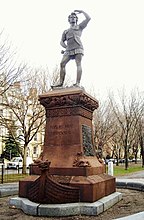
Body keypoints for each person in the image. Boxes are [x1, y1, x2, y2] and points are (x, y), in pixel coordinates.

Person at [52, 10, 91, 88]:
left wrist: (82, 11)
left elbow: (88, 18)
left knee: (78, 64)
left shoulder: (80, 27)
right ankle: (60, 83)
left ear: (76, 19)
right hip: (68, 50)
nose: (72, 18)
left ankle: (77, 83)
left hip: (78, 47)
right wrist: (65, 47)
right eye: (71, 17)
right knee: (62, 64)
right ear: (69, 20)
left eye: (74, 17)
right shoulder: (65, 31)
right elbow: (61, 41)